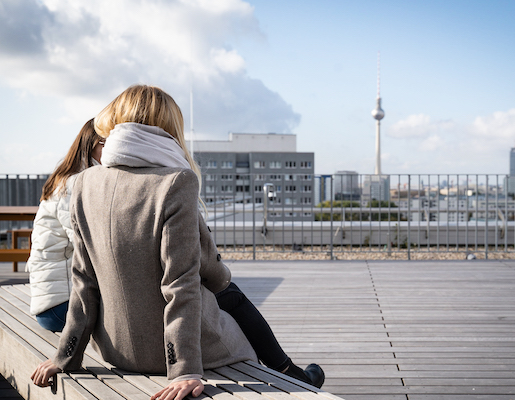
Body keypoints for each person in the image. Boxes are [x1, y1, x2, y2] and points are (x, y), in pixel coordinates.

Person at [30, 85, 322, 400]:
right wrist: (184, 370)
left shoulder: (85, 183)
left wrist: (64, 357)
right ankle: (290, 375)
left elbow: (83, 282)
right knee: (239, 326)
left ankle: (292, 374)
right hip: (175, 356)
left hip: (115, 352)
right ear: (170, 128)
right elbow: (182, 284)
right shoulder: (176, 181)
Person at [26, 119, 103, 332]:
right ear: (91, 145)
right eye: (105, 144)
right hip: (60, 308)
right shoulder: (74, 184)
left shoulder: (69, 177)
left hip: (54, 302)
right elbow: (87, 245)